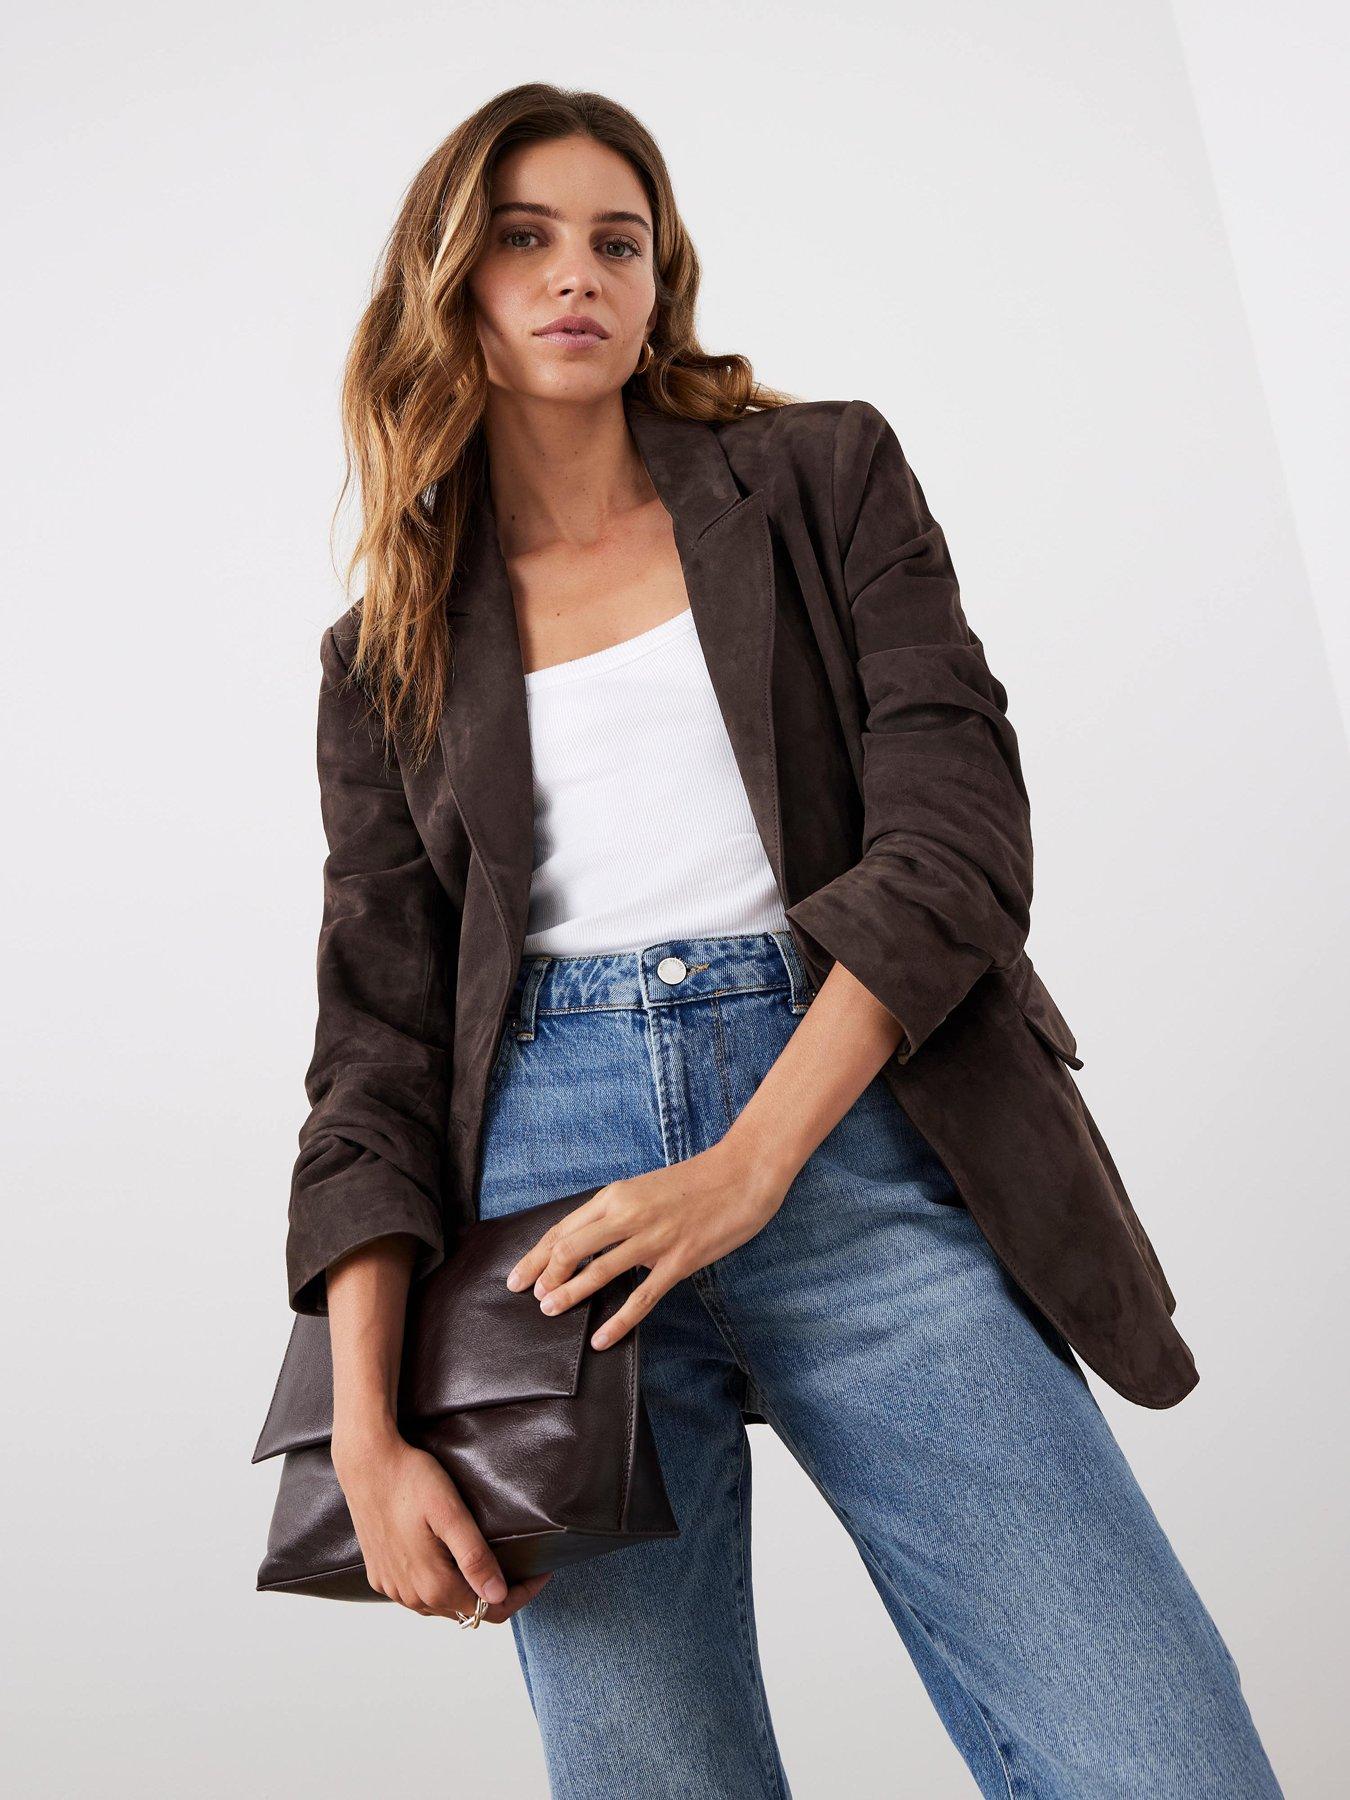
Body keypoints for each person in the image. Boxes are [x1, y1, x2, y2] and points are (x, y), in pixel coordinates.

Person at [286, 83, 1284, 1797]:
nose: (577, 274)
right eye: (524, 238)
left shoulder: (821, 478)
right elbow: (373, 1046)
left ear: (660, 281)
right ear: (449, 283)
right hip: (549, 1239)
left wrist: (750, 1166)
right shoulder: (386, 647)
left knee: (1159, 1759)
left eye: (617, 242)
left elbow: (955, 840)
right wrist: (364, 1433)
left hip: (851, 1136)